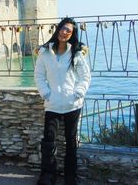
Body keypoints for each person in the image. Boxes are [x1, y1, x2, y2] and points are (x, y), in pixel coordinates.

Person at [34, 17, 91, 185]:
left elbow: (85, 77)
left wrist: (78, 92)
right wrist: (46, 93)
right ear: (58, 29)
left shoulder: (77, 53)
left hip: (72, 105)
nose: (64, 32)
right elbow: (39, 76)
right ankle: (47, 176)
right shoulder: (44, 52)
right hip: (52, 105)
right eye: (62, 28)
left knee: (71, 141)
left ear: (72, 34)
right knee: (49, 141)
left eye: (69, 30)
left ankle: (70, 177)